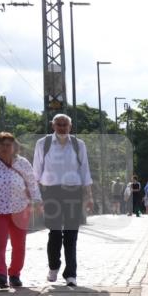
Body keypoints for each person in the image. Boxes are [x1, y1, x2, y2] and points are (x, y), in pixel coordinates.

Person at [32, 114, 94, 286]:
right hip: (51, 192)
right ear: (53, 125)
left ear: (70, 126)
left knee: (71, 233)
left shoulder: (78, 144)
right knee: (55, 233)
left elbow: (85, 171)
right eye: (58, 124)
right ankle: (53, 267)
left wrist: (89, 196)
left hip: (73, 191)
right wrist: (36, 198)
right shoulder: (43, 144)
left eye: (65, 124)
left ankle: (71, 273)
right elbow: (36, 172)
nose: (61, 127)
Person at [0, 132, 42, 288]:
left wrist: (37, 202)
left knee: (19, 245)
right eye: (1, 144)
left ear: (15, 147)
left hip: (19, 209)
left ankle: (14, 274)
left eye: (8, 144)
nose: (5, 148)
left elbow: (32, 184)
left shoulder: (23, 163)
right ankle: (0, 275)